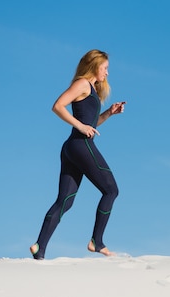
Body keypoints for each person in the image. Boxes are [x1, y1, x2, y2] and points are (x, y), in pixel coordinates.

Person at [30, 49, 126, 260]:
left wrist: (109, 113)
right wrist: (80, 127)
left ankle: (39, 247)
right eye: (105, 68)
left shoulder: (91, 89)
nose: (107, 73)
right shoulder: (82, 84)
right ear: (94, 66)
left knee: (65, 200)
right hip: (80, 145)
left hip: (72, 147)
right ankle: (97, 242)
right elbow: (57, 106)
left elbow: (91, 124)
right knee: (111, 190)